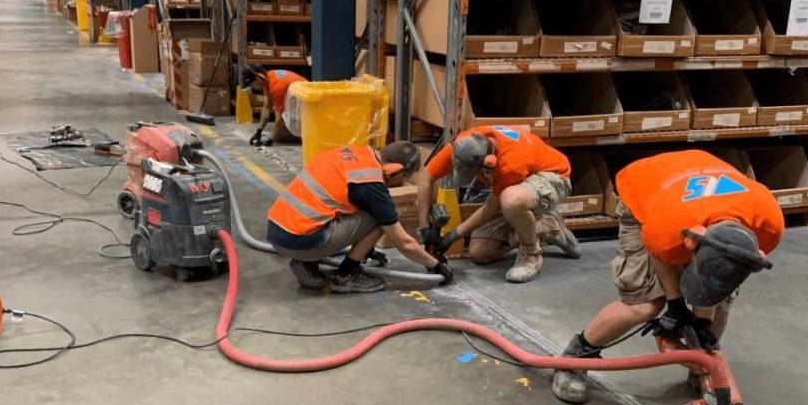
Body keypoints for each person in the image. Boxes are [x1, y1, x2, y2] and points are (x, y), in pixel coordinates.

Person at [550, 150, 783, 405]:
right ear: (691, 241)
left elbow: (719, 282)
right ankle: (574, 358)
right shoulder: (666, 227)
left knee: (722, 303)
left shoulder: (769, 225)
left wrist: (701, 323)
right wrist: (675, 304)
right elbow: (661, 256)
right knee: (643, 304)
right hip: (647, 188)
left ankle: (702, 368)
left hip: (695, 185)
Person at [267, 141, 454, 294]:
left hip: (280, 231)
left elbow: (343, 202)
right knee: (382, 219)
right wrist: (436, 265)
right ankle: (345, 276)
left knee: (366, 211)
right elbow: (404, 243)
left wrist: (366, 249)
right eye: (404, 176)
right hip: (301, 240)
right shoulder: (370, 184)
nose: (401, 182)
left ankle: (305, 262)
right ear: (395, 170)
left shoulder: (354, 154)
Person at [414, 125, 580, 284]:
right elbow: (426, 177)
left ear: (488, 162)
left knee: (511, 200)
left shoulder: (509, 165)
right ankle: (545, 228)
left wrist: (453, 236)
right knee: (480, 253)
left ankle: (531, 255)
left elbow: (490, 209)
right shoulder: (464, 145)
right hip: (516, 187)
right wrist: (424, 228)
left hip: (553, 175)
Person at [239, 65, 306, 146]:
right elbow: (267, 107)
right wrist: (259, 131)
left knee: (278, 137)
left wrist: (270, 140)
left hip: (306, 106)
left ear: (259, 77)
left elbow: (279, 119)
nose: (253, 88)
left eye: (252, 84)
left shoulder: (276, 87)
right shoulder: (269, 78)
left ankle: (306, 136)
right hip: (299, 103)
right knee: (279, 131)